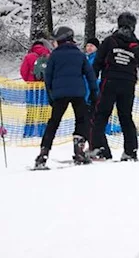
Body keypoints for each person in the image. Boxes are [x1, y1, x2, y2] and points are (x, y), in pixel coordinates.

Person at [90, 12, 139, 162]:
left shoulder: (110, 41)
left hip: (109, 82)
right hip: (128, 85)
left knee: (101, 115)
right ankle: (131, 151)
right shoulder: (138, 47)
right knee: (125, 117)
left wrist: (92, 81)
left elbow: (97, 62)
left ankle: (99, 148)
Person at [34, 27, 97, 169]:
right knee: (82, 120)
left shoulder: (54, 55)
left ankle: (43, 153)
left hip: (60, 94)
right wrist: (94, 92)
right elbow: (90, 75)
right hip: (78, 93)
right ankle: (79, 150)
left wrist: (51, 96)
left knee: (53, 123)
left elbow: (48, 77)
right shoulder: (80, 55)